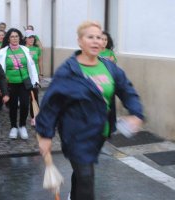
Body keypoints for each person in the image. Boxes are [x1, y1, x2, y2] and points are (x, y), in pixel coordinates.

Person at [36, 21, 144, 200]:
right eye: (90, 37)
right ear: (80, 41)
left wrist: (136, 113)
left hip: (100, 132)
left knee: (82, 174)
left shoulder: (109, 67)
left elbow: (127, 90)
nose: (96, 41)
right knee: (86, 177)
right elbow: (51, 105)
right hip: (76, 134)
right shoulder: (68, 71)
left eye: (100, 37)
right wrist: (45, 135)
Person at [0, 28, 39, 140]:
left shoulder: (25, 49)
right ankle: (13, 127)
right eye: (12, 36)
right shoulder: (3, 52)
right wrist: (1, 87)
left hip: (24, 83)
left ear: (20, 38)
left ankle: (22, 126)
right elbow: (0, 70)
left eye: (16, 36)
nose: (14, 38)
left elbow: (31, 66)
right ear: (8, 38)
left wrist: (35, 81)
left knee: (25, 105)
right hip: (10, 84)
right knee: (13, 106)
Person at [24, 30, 42, 126]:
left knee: (34, 96)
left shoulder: (36, 49)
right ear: (25, 39)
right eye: (29, 37)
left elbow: (39, 61)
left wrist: (40, 73)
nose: (31, 39)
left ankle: (35, 116)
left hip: (35, 75)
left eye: (33, 37)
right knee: (25, 97)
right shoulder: (22, 48)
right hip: (25, 75)